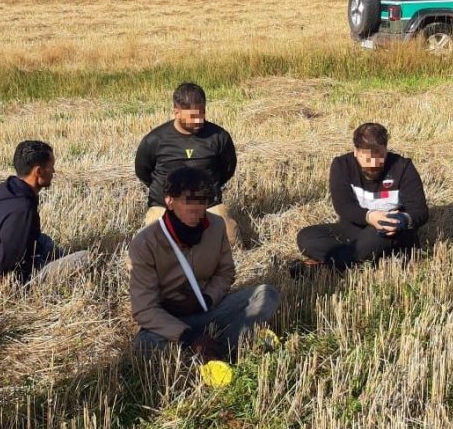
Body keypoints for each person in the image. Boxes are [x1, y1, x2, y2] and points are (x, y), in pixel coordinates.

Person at [130, 167, 279, 361]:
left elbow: (225, 273)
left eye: (202, 201)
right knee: (145, 344)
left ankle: (218, 351)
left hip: (208, 308)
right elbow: (144, 309)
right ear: (169, 201)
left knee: (267, 294)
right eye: (187, 200)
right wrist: (188, 336)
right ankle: (214, 348)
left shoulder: (217, 226)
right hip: (168, 318)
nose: (196, 208)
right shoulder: (145, 243)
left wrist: (207, 299)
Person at [294, 122, 428, 274]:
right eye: (368, 159)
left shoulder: (403, 167)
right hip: (354, 230)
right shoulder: (342, 165)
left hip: (390, 233)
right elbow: (343, 206)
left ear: (386, 149)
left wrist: (402, 219)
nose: (375, 164)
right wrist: (370, 216)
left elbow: (420, 211)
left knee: (376, 236)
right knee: (306, 238)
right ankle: (361, 260)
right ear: (356, 152)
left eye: (380, 157)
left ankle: (327, 268)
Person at [0, 140, 91, 282]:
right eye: (51, 167)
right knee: (87, 257)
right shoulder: (22, 209)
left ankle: (60, 258)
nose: (53, 171)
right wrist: (36, 266)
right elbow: (8, 263)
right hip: (1, 278)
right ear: (38, 171)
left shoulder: (7, 189)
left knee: (42, 240)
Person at [135, 82, 239, 244]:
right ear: (176, 113)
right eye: (193, 116)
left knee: (229, 237)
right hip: (165, 206)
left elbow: (227, 168)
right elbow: (143, 171)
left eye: (202, 114)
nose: (199, 120)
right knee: (155, 243)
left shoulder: (219, 137)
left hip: (207, 205)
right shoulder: (155, 140)